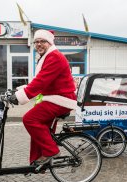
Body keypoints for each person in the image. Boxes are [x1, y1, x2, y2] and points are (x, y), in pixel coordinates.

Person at [9, 29, 77, 165]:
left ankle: (51, 151)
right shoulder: (47, 56)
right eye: (36, 42)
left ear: (50, 42)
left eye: (42, 41)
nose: (39, 44)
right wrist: (19, 90)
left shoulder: (54, 57)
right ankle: (38, 162)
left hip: (61, 99)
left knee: (30, 119)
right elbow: (40, 80)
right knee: (39, 128)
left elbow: (41, 81)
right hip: (55, 97)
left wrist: (20, 97)